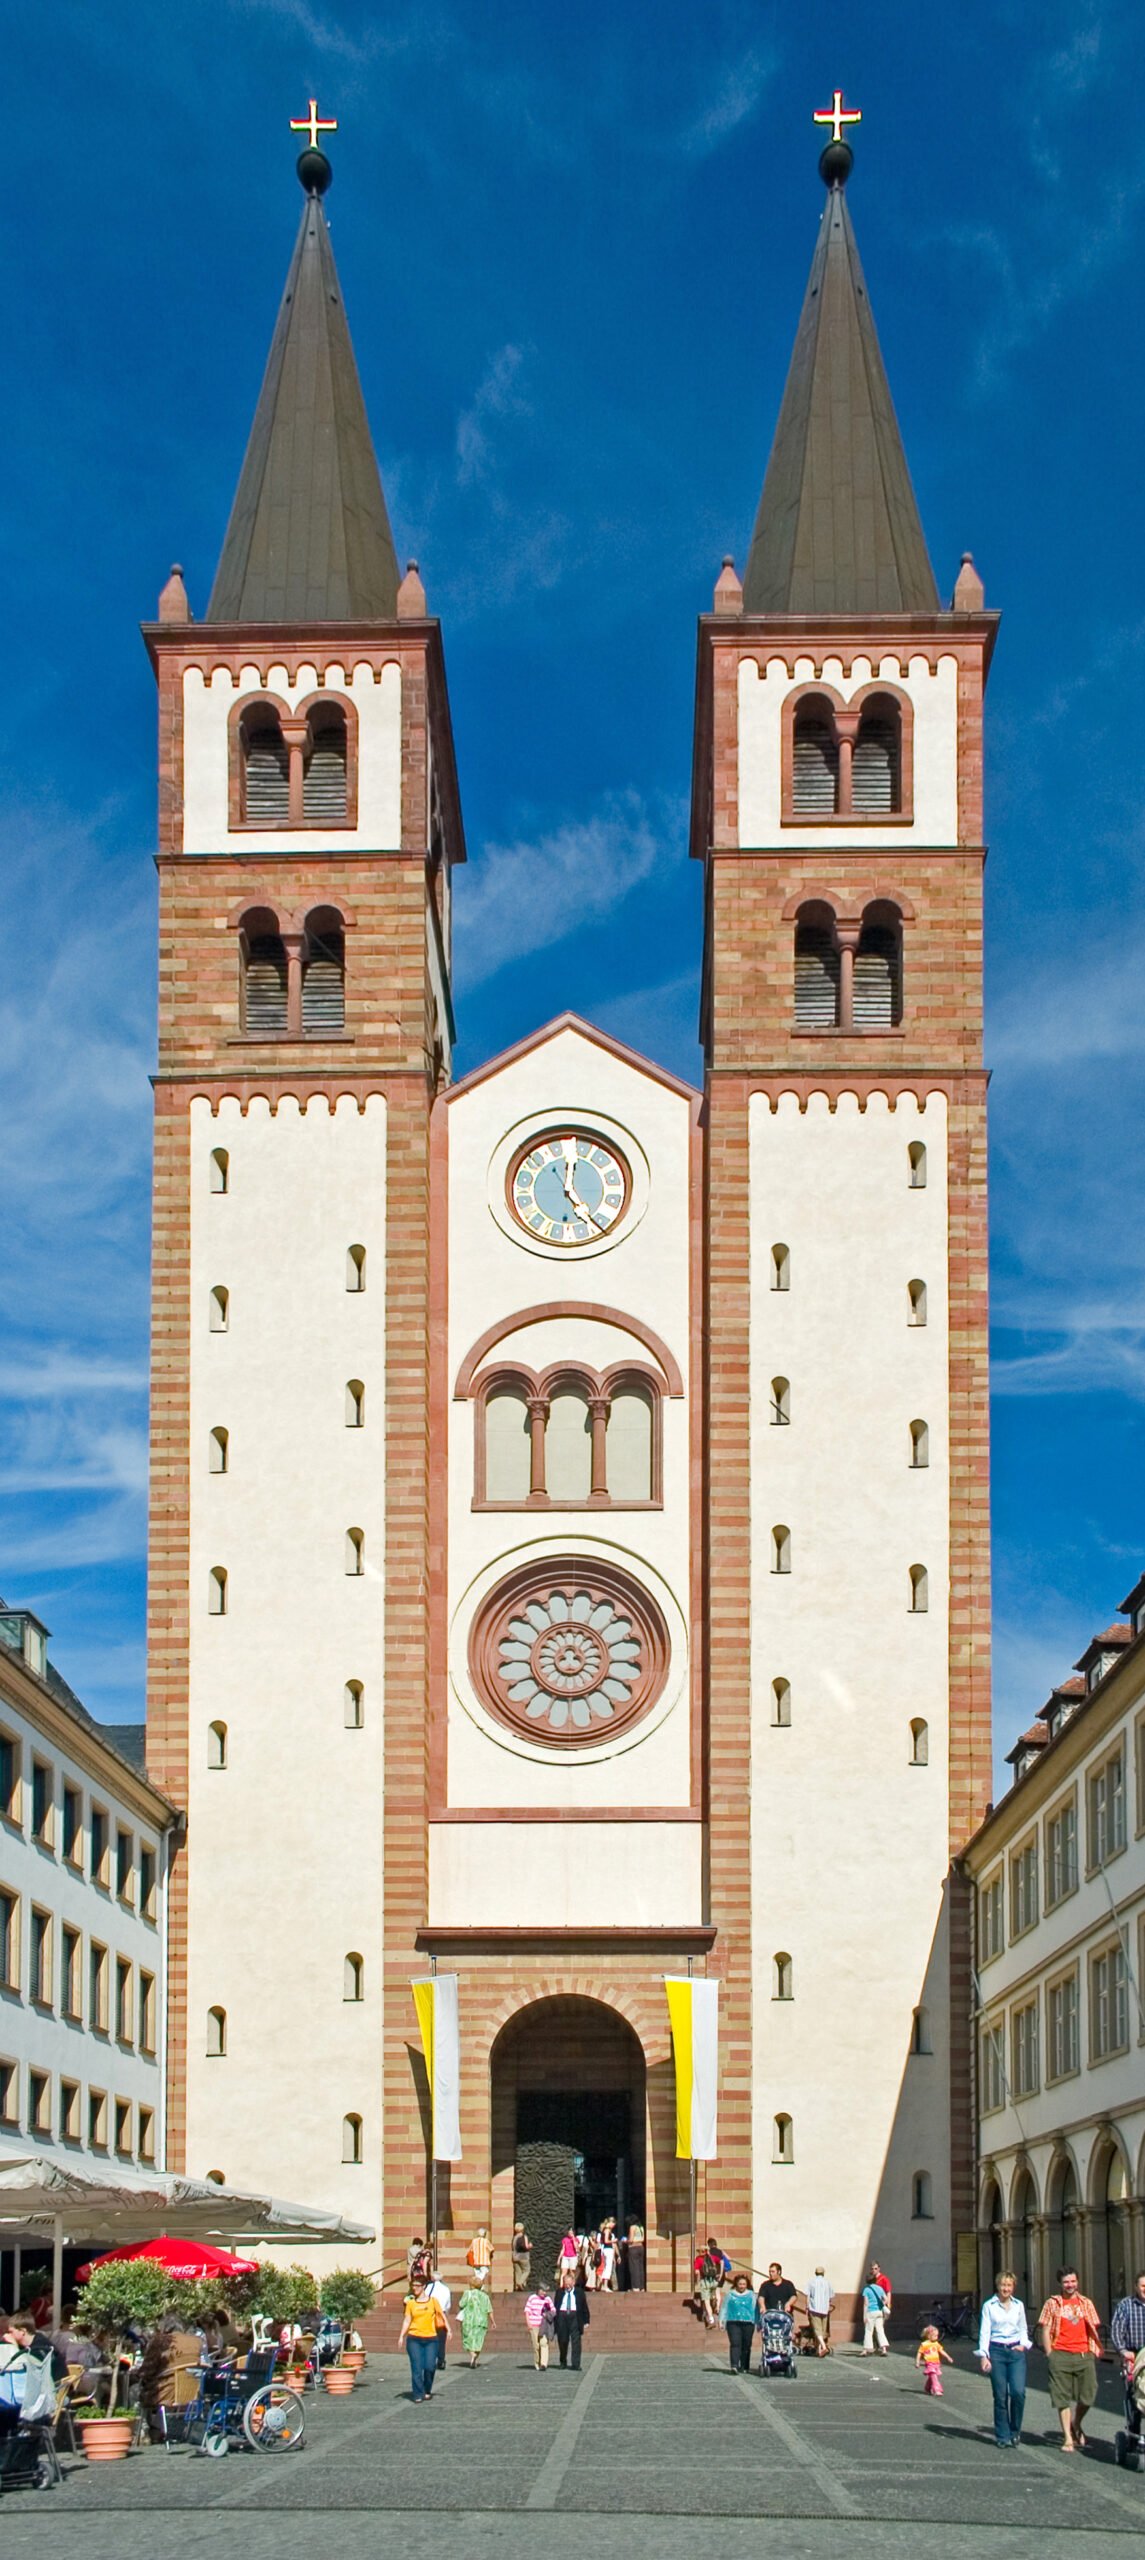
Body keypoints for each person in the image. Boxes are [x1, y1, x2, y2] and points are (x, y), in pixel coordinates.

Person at [1038, 2267, 1101, 2452]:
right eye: (1066, 2282)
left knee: (1088, 2395)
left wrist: (1093, 2351)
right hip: (1060, 2354)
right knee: (1062, 2399)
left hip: (1083, 2354)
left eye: (1073, 2281)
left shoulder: (1085, 2303)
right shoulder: (1053, 2303)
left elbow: (1093, 2326)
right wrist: (1050, 2354)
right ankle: (1067, 2437)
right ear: (1060, 2283)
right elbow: (1046, 2329)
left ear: (1078, 2282)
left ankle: (1076, 2423)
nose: (1070, 2285)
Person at [977, 2270, 1032, 2448]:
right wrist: (984, 2356)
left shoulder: (1019, 2305)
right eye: (1002, 2285)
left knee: (1018, 2392)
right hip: (997, 2351)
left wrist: (1023, 2344)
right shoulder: (989, 2306)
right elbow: (985, 2332)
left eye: (1008, 2285)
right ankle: (1002, 2435)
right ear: (997, 2286)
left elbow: (1023, 2328)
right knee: (1000, 2396)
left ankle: (1015, 2430)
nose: (1005, 2288)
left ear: (1013, 2287)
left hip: (1015, 2352)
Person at [398, 2273, 450, 2403]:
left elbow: (442, 2315)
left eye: (417, 2285)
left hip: (431, 2339)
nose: (414, 2288)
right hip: (414, 2339)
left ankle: (427, 2389)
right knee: (416, 2367)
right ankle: (417, 2393)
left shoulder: (433, 2301)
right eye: (413, 2285)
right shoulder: (410, 2303)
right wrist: (401, 2336)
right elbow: (407, 2320)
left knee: (429, 2367)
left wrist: (448, 2329)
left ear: (424, 2287)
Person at [1111, 2269, 1145, 2384]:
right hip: (1134, 2356)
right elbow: (1116, 2331)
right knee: (1136, 2394)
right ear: (1136, 2287)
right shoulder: (1126, 2305)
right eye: (1143, 2286)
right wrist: (1123, 2350)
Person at [554, 2269, 590, 2370]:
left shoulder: (579, 2292)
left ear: (573, 2282)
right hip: (562, 2316)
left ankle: (576, 2364)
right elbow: (555, 2306)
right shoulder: (559, 2292)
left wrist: (586, 2320)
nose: (568, 2286)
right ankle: (563, 2362)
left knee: (576, 2342)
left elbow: (584, 2307)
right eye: (566, 2284)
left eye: (570, 2284)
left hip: (575, 2317)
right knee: (563, 2341)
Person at [720, 2274, 757, 2373]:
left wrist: (758, 2322)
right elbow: (724, 2308)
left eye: (744, 2284)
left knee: (746, 2345)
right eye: (740, 2284)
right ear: (736, 2284)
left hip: (748, 2323)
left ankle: (744, 2366)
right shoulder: (730, 2295)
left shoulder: (751, 2295)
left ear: (747, 2285)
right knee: (735, 2343)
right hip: (733, 2322)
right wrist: (721, 2320)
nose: (742, 2286)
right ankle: (734, 2365)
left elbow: (755, 2309)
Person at [458, 2277, 495, 2368]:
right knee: (478, 2341)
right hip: (482, 2321)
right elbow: (489, 2310)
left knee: (467, 2340)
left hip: (469, 2320)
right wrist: (493, 2322)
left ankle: (472, 2355)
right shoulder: (485, 2296)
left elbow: (461, 2304)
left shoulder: (468, 2293)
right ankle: (474, 2359)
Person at [694, 2238, 728, 2328]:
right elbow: (722, 2261)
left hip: (705, 2282)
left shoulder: (698, 2259)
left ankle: (711, 2319)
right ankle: (715, 2301)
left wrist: (697, 2281)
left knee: (706, 2301)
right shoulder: (712, 2257)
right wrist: (720, 2274)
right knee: (714, 2294)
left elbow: (697, 2272)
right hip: (714, 2281)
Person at [915, 2325, 953, 2397]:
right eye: (935, 2336)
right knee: (933, 2376)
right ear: (929, 2336)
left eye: (937, 2335)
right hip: (929, 2363)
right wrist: (917, 2362)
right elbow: (919, 2353)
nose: (937, 2337)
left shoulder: (936, 2344)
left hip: (936, 2363)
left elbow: (941, 2351)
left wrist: (948, 2357)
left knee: (933, 2376)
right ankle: (937, 2390)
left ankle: (928, 2387)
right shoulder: (924, 2344)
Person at [524, 2285, 555, 2371]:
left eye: (545, 2291)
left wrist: (547, 2314)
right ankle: (537, 2362)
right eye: (543, 2291)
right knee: (536, 2346)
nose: (544, 2293)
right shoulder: (532, 2298)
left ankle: (543, 2364)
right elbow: (527, 2311)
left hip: (544, 2325)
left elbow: (553, 2311)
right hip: (534, 2324)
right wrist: (528, 2323)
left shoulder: (547, 2299)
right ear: (538, 2290)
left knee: (544, 2343)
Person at [427, 2265, 452, 2371]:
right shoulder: (446, 2289)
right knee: (441, 2339)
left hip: (430, 2314)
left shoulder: (428, 2287)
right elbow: (448, 2304)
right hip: (441, 2315)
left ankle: (431, 2359)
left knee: (430, 2339)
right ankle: (441, 2360)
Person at [806, 2268, 834, 2357]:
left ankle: (823, 2346)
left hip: (814, 2308)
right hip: (825, 2309)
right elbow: (831, 2296)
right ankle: (819, 2350)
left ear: (815, 2273)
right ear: (823, 2273)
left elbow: (808, 2296)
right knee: (822, 2330)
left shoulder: (811, 2282)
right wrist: (828, 2304)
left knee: (817, 2330)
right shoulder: (827, 2282)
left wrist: (807, 2307)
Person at [861, 2270, 890, 2356]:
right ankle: (884, 2349)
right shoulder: (880, 2288)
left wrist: (864, 2315)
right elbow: (886, 2299)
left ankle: (866, 2350)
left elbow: (866, 2303)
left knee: (869, 2331)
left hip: (870, 2312)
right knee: (880, 2330)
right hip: (879, 2311)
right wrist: (882, 2304)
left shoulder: (866, 2289)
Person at [511, 2223, 533, 2291]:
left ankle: (517, 2287)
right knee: (527, 2270)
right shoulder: (523, 2236)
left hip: (515, 2257)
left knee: (518, 2272)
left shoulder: (514, 2237)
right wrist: (530, 2246)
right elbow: (525, 2247)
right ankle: (520, 2283)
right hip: (523, 2257)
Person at [626, 2222, 646, 2292]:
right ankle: (641, 2287)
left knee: (634, 2267)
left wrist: (626, 2241)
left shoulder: (632, 2227)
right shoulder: (641, 2227)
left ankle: (635, 2287)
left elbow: (631, 2239)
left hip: (633, 2247)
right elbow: (643, 2239)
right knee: (640, 2267)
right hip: (640, 2247)